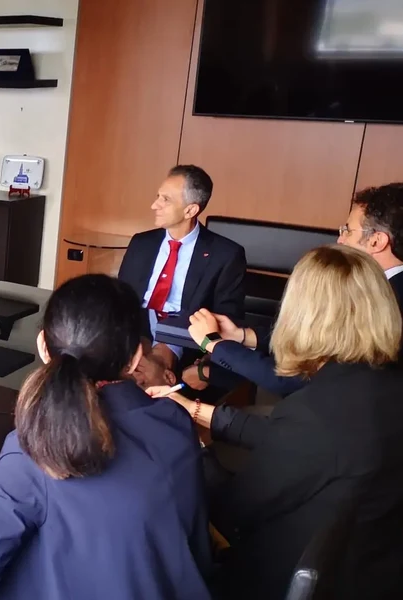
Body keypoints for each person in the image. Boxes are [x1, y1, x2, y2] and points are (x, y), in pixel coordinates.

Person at [0, 274, 211, 600]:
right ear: (135, 358)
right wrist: (1, 489)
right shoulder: (175, 422)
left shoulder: (33, 451)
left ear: (43, 347)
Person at [148, 245, 403, 600]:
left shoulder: (316, 410)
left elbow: (232, 511)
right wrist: (202, 412)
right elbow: (307, 445)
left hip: (287, 580)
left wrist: (199, 446)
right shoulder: (378, 387)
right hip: (375, 569)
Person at [187, 182, 403, 396]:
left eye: (347, 230)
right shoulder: (380, 287)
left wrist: (214, 344)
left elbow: (301, 380)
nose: (340, 239)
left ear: (376, 241)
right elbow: (314, 342)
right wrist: (242, 336)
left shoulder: (386, 302)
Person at [117, 165, 246, 371]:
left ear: (191, 210)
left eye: (165, 200)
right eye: (157, 196)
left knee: (154, 370)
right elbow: (120, 297)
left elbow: (227, 317)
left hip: (184, 335)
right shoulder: (142, 243)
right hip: (135, 329)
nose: (154, 205)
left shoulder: (226, 254)